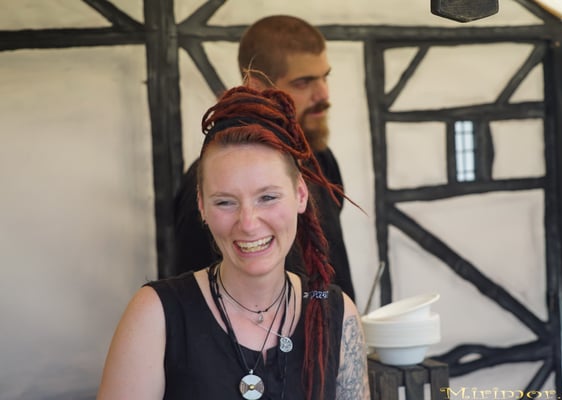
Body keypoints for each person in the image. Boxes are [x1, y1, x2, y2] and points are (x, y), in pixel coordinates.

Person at [97, 86, 370, 399]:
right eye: (225, 202)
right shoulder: (154, 315)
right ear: (201, 206)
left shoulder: (336, 313)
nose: (248, 223)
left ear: (300, 194)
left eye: (268, 197)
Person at [173, 15, 356, 300]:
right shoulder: (214, 183)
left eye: (325, 77)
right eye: (303, 82)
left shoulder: (321, 160)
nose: (323, 94)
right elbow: (194, 301)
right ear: (257, 86)